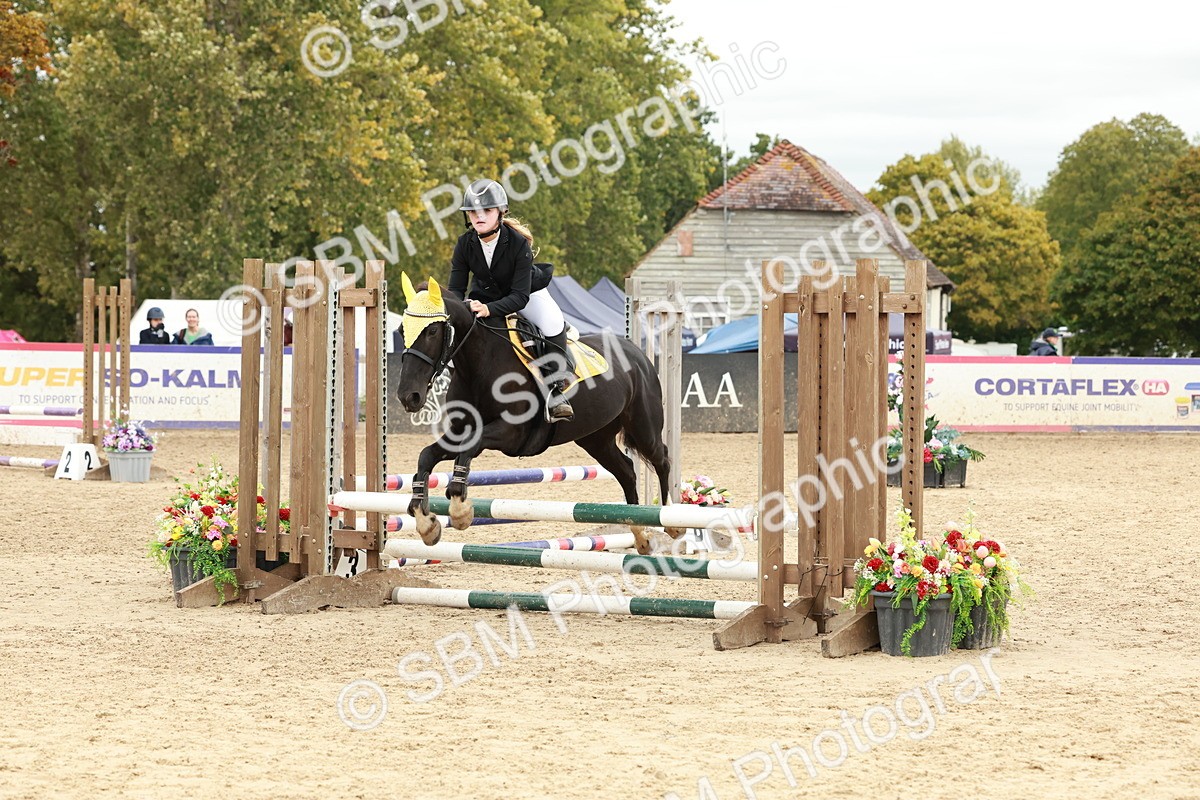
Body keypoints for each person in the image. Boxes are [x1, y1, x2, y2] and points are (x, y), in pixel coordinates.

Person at [448, 178, 575, 422]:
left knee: (552, 322)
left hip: (527, 293)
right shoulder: (464, 243)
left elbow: (519, 296)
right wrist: (460, 308)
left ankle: (556, 389)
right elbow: (456, 289)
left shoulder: (517, 244)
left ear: (501, 212)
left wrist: (488, 309)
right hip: (486, 296)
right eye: (473, 211)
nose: (479, 216)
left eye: (486, 210)